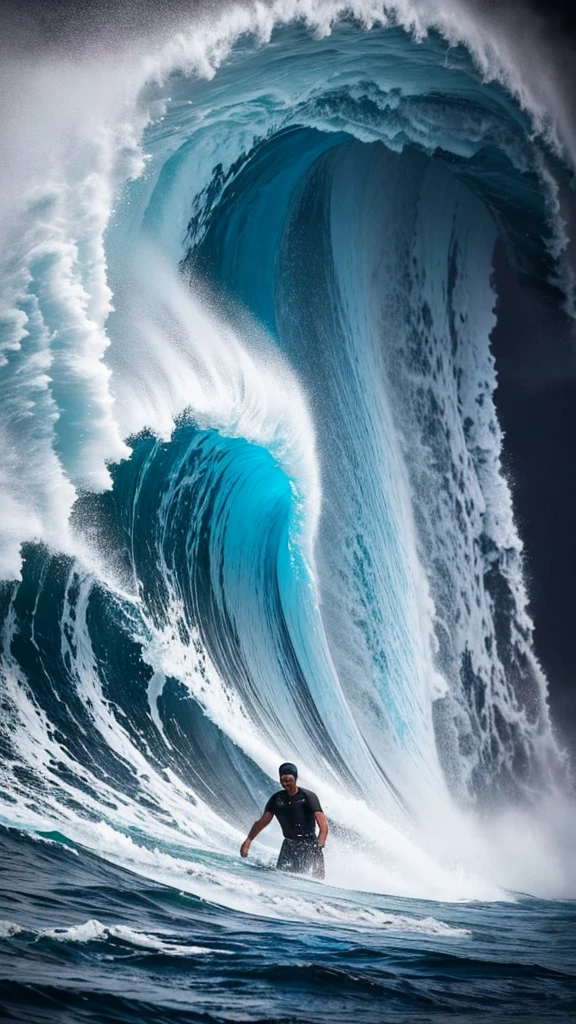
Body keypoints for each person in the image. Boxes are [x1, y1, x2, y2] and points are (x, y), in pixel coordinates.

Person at [240, 762, 328, 879]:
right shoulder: (277, 799)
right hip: (289, 845)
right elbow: (262, 823)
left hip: (309, 844)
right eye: (283, 780)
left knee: (315, 881)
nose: (286, 783)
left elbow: (323, 827)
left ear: (295, 779)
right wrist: (248, 840)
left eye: (289, 780)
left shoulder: (308, 796)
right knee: (281, 878)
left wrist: (318, 848)